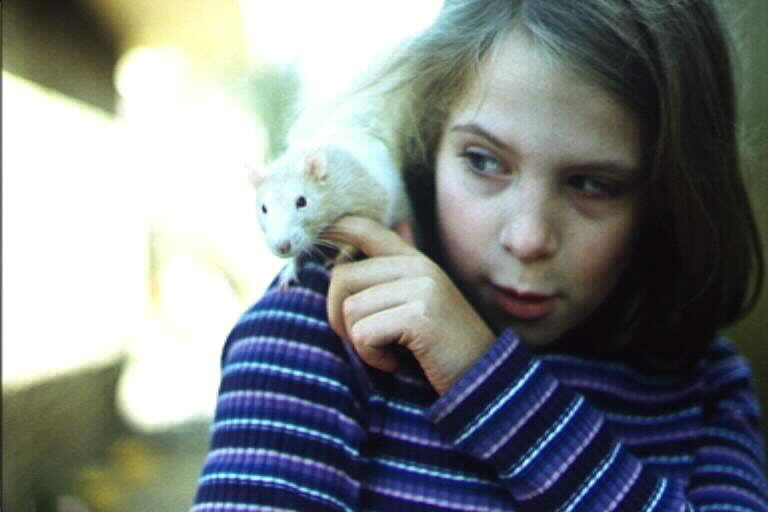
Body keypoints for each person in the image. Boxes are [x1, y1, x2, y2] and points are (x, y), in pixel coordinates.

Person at [192, 0, 768, 510]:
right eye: (484, 161)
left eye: (592, 184)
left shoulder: (704, 386)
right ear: (428, 141)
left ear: (669, 195)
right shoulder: (323, 326)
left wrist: (485, 377)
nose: (527, 238)